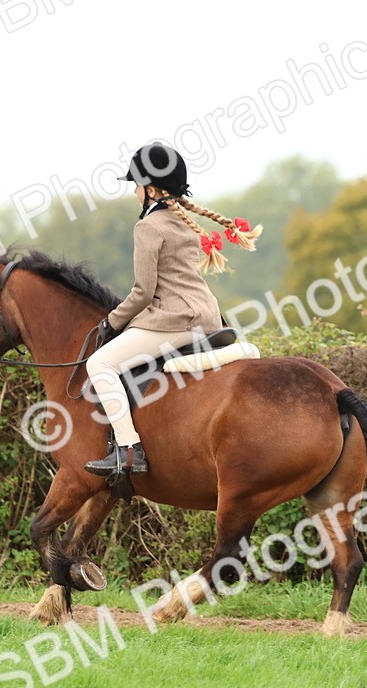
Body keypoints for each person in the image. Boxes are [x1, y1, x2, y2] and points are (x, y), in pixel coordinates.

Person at [84, 142, 261, 477]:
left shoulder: (148, 226)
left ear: (151, 190)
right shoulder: (183, 223)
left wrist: (112, 321)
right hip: (208, 315)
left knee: (101, 363)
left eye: (136, 185)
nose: (134, 192)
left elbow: (143, 292)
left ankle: (128, 450)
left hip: (176, 320)